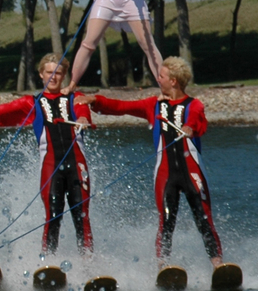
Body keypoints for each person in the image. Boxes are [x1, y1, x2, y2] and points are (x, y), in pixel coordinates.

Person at [89, 56, 224, 266]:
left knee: (203, 219)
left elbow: (198, 120)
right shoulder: (153, 105)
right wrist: (95, 101)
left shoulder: (194, 105)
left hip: (192, 172)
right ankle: (163, 265)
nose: (157, 79)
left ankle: (218, 264)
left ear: (174, 81)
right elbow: (121, 106)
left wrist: (189, 127)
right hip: (166, 175)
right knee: (167, 222)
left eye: (161, 76)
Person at [0, 54, 95, 255]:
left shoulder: (75, 98)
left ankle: (88, 262)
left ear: (64, 76)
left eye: (58, 73)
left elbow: (83, 111)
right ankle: (48, 262)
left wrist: (82, 118)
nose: (53, 77)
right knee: (54, 215)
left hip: (77, 167)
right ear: (41, 74)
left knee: (81, 216)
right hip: (51, 168)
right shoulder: (32, 102)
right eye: (49, 72)